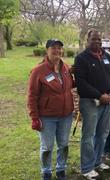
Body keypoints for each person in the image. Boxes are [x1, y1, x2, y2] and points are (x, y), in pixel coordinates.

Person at [27, 39, 74, 180]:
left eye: (59, 48)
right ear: (47, 50)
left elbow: (70, 85)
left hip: (66, 114)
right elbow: (32, 96)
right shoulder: (38, 71)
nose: (57, 51)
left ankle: (61, 169)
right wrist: (34, 117)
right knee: (47, 147)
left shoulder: (65, 68)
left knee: (64, 144)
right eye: (53, 48)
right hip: (47, 116)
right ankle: (46, 171)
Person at [74, 29, 110, 179]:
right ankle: (87, 168)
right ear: (87, 40)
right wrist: (99, 95)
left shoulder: (106, 56)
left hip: (107, 102)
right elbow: (81, 83)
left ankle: (97, 162)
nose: (97, 42)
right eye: (94, 39)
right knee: (89, 135)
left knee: (102, 134)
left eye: (99, 39)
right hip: (90, 102)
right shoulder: (81, 59)